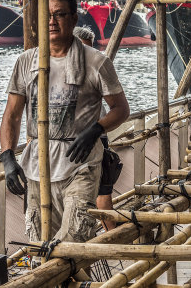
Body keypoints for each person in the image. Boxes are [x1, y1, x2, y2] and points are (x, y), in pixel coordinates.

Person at [0, 0, 129, 243]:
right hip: (37, 168)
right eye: (46, 15)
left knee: (73, 241)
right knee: (41, 243)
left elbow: (121, 109)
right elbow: (12, 115)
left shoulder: (96, 62)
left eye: (59, 14)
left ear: (74, 18)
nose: (52, 21)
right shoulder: (26, 62)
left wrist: (96, 130)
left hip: (81, 165)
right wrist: (7, 157)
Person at [73, 25, 117, 231]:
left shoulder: (94, 68)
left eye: (89, 50)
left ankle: (113, 239)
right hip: (74, 143)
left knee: (102, 194)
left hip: (97, 137)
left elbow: (118, 107)